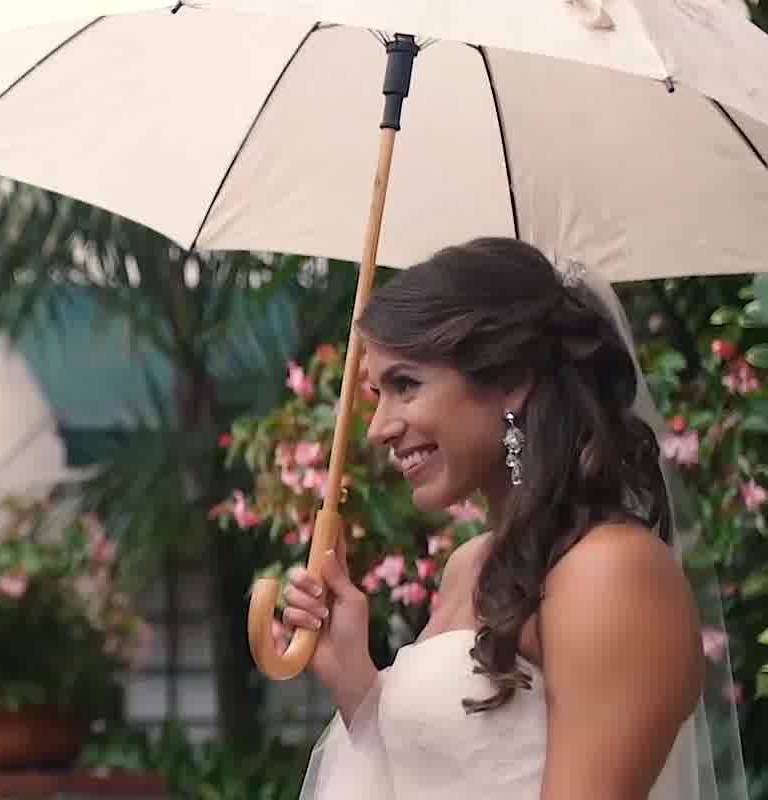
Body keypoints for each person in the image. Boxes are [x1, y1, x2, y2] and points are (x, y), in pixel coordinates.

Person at [278, 237, 746, 798]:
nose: (378, 426)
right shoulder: (469, 565)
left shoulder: (612, 572)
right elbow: (437, 772)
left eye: (405, 385)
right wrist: (351, 673)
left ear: (512, 379)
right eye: (378, 394)